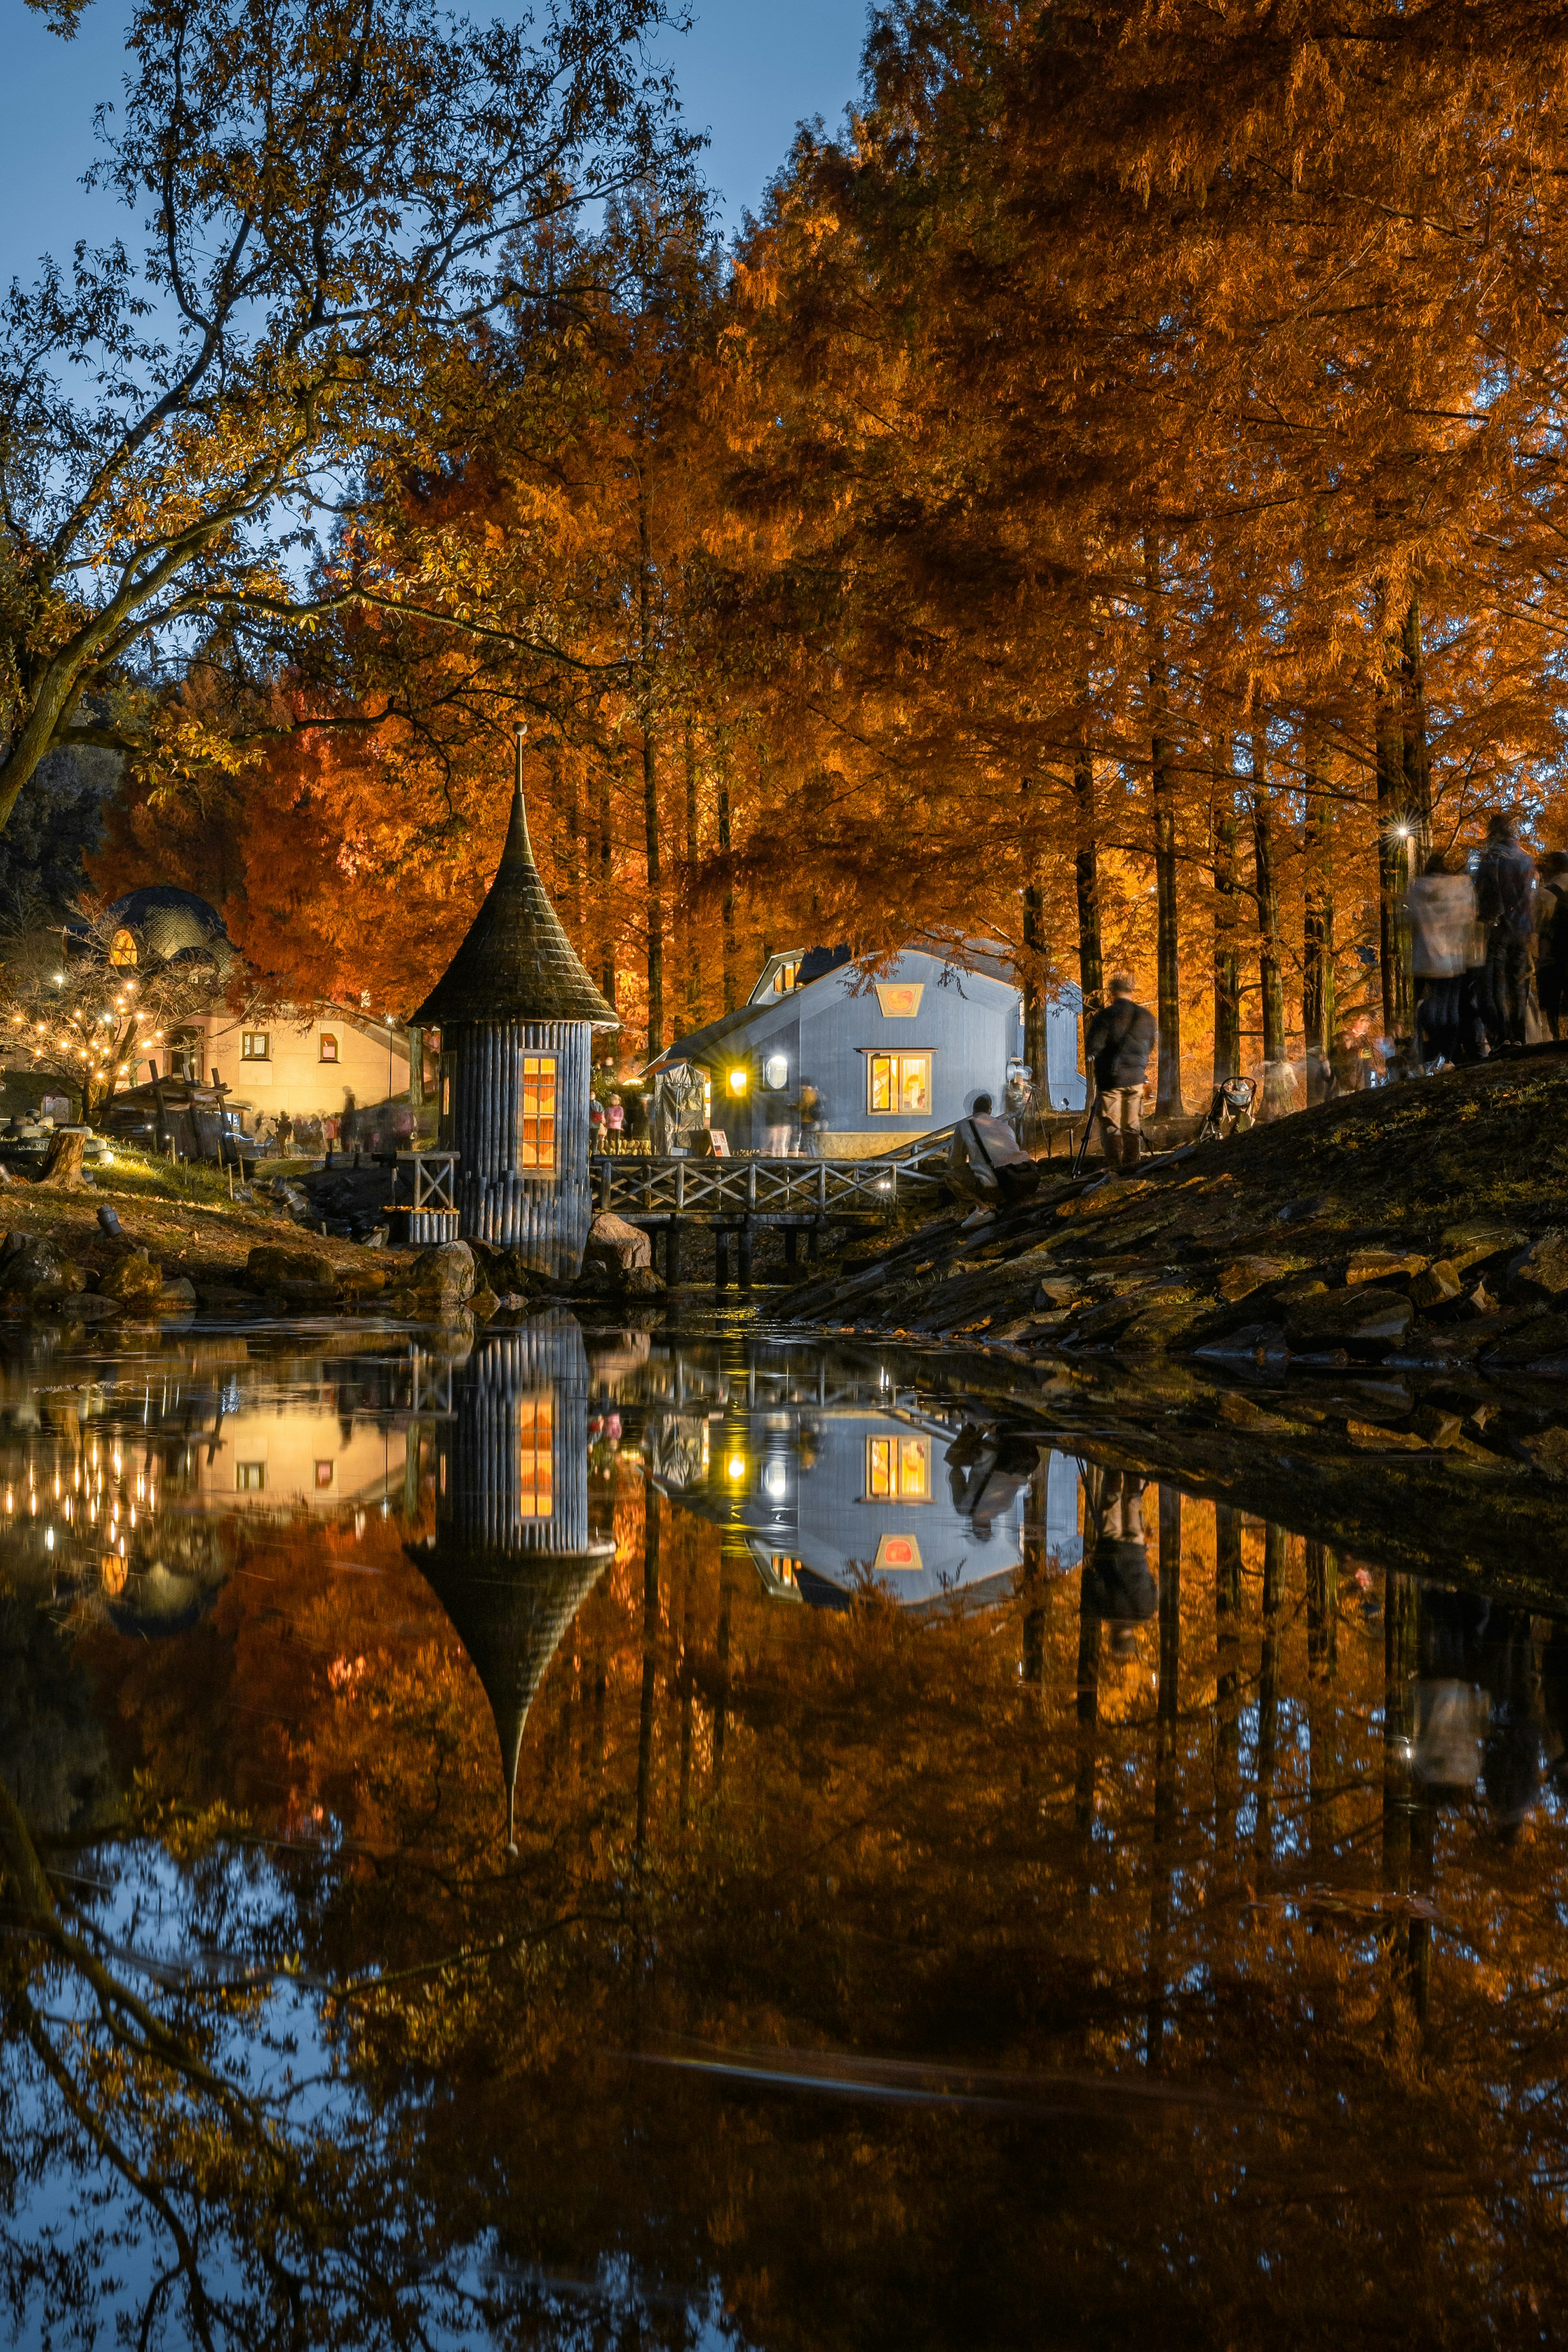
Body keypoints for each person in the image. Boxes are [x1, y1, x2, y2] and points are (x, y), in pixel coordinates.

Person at [1403, 847, 1479, 1066]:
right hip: (1454, 959)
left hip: (1427, 958)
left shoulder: (1418, 888)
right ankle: (1449, 1055)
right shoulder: (1460, 887)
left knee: (1431, 1010)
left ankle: (1436, 1051)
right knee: (1451, 1009)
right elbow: (1470, 918)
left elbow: (1409, 920)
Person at [1083, 975, 1156, 1171]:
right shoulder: (1147, 1017)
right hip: (1136, 1079)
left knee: (1111, 1126)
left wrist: (1093, 1057)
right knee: (1132, 1125)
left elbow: (1094, 1046)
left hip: (1111, 1080)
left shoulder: (1106, 1016)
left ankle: (1114, 1170)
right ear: (1131, 991)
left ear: (1112, 992)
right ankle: (1132, 1168)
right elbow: (1150, 1046)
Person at [1476, 811, 1537, 1047]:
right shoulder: (1526, 857)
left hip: (1500, 926)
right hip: (1523, 927)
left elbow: (1482, 890)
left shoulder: (1492, 856)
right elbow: (1529, 894)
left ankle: (1505, 1035)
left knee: (1499, 981)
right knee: (1518, 981)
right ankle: (1521, 1036)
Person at [1537, 850, 1568, 1041]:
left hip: (1555, 954)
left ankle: (1556, 1036)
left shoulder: (1547, 894)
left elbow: (1538, 926)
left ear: (1554, 866)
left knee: (1552, 998)